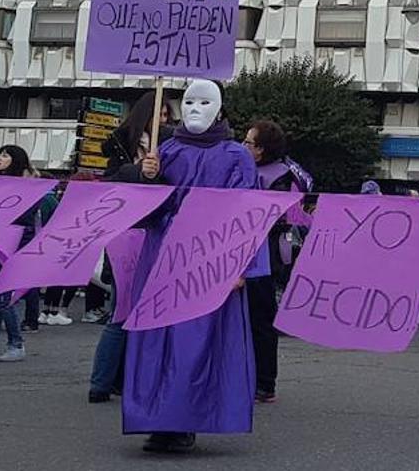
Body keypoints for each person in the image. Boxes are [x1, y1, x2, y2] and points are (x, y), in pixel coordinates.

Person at [121, 79, 259, 454]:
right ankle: (154, 417)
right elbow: (148, 208)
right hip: (161, 256)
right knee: (155, 338)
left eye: (205, 101)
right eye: (190, 101)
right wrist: (149, 177)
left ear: (219, 108)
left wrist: (238, 267)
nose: (196, 108)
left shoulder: (236, 156)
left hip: (206, 258)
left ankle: (181, 420)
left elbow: (246, 213)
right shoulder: (165, 150)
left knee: (193, 340)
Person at [87, 95, 172, 404]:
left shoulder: (170, 147)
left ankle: (121, 379)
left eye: (167, 114)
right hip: (127, 233)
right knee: (121, 310)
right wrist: (141, 173)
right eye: (159, 113)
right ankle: (101, 382)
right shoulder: (120, 146)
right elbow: (110, 183)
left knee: (141, 310)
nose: (164, 119)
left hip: (154, 230)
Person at [241, 119, 314, 403]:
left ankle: (264, 382)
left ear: (260, 149)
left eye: (248, 142)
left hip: (263, 253)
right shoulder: (251, 169)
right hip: (246, 249)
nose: (242, 145)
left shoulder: (278, 177)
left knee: (260, 318)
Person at [0, 145, 55, 362]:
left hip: (14, 246)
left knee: (4, 297)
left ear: (16, 160)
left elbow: (25, 219)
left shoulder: (28, 186)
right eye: (0, 154)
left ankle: (16, 344)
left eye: (5, 155)